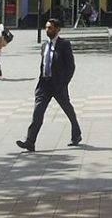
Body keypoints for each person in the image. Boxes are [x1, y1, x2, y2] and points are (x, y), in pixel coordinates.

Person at [17, 18, 82, 151]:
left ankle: (76, 135)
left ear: (57, 29)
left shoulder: (64, 45)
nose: (47, 30)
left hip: (58, 84)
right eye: (46, 27)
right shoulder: (44, 45)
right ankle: (30, 141)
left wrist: (64, 83)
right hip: (44, 85)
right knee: (38, 113)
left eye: (50, 28)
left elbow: (71, 66)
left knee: (68, 110)